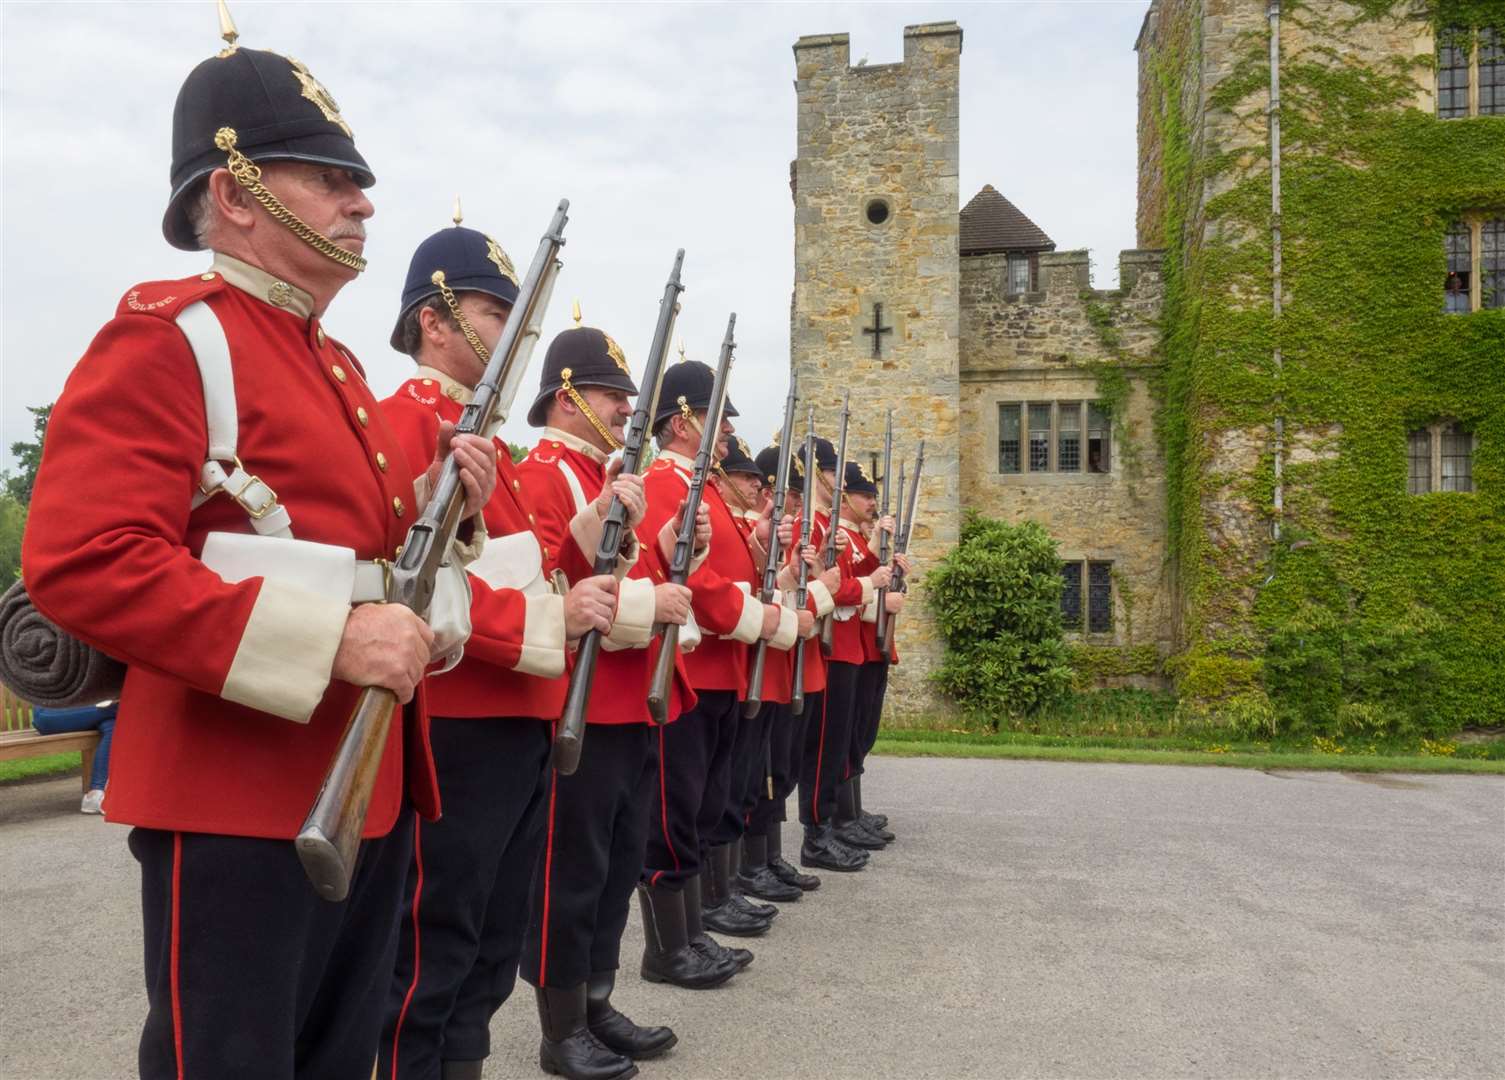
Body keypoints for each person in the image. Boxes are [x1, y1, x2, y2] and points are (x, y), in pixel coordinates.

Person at [20, 21, 497, 1078]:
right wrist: (333, 639)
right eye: (330, 177)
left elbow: (367, 572)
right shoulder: (170, 335)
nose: (361, 201)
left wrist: (440, 518)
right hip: (232, 793)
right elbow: (83, 558)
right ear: (235, 193)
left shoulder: (331, 365)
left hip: (362, 778)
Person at [376, 222, 623, 1080]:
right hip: (460, 722)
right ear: (434, 320)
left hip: (518, 718)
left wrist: (578, 577)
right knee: (433, 949)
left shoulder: (495, 449)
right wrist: (550, 624)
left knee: (488, 943)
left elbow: (528, 569)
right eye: (492, 311)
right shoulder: (405, 423)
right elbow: (408, 583)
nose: (509, 331)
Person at [517, 320, 713, 1080]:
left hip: (626, 699)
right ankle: (560, 1023)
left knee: (613, 865)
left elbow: (627, 574)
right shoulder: (541, 472)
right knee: (570, 872)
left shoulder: (603, 478)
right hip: (579, 700)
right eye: (609, 394)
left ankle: (597, 1001)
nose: (626, 409)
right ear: (566, 398)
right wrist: (645, 602)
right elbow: (549, 590)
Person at [636, 360, 797, 981]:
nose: (726, 433)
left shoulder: (700, 491)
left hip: (723, 669)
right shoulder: (661, 486)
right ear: (682, 422)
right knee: (675, 813)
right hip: (693, 670)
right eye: (715, 419)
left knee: (708, 805)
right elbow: (694, 583)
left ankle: (697, 926)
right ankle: (669, 946)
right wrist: (767, 621)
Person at [31, 701, 117, 814]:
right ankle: (96, 793)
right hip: (49, 713)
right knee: (122, 708)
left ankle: (96, 795)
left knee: (114, 725)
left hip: (82, 710)